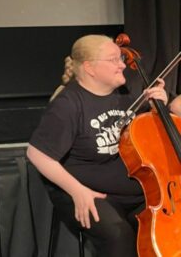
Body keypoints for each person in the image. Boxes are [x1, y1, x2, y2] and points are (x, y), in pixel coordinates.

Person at [27, 34, 181, 256]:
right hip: (90, 193)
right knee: (120, 238)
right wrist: (77, 191)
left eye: (120, 58)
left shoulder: (126, 94)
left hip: (136, 191)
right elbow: (37, 154)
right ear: (90, 67)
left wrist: (159, 106)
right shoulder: (69, 105)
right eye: (114, 60)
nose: (122, 65)